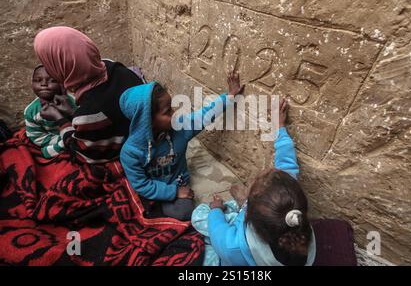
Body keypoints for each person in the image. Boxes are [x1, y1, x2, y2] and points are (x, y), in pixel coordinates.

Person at [192, 98, 316, 266]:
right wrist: (280, 127)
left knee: (199, 216)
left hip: (240, 256)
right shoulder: (292, 210)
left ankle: (234, 205)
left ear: (248, 217)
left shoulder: (233, 248)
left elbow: (218, 233)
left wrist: (216, 211)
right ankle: (241, 201)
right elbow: (287, 162)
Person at [119, 72, 244, 221]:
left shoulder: (179, 129)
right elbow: (141, 185)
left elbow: (204, 115)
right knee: (133, 206)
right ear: (147, 121)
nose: (174, 114)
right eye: (167, 112)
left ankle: (157, 210)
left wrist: (229, 96)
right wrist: (175, 192)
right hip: (155, 189)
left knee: (185, 212)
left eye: (171, 108)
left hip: (178, 184)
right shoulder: (130, 152)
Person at [33, 26, 143, 164]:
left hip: (135, 145)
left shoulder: (90, 112)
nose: (48, 69)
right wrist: (74, 112)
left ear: (63, 65)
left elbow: (84, 154)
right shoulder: (110, 65)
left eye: (48, 63)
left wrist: (61, 120)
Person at [24, 64, 77, 159]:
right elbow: (37, 136)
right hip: (55, 140)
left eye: (52, 80)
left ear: (63, 84)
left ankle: (67, 144)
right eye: (38, 80)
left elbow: (82, 124)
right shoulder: (31, 111)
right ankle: (67, 143)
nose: (44, 83)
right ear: (32, 83)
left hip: (75, 134)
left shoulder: (74, 101)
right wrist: (60, 140)